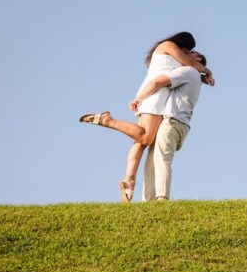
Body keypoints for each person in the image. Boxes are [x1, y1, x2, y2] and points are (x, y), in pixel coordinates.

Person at [78, 31, 212, 201]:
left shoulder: (178, 61)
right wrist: (207, 72)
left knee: (141, 142)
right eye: (188, 51)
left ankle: (129, 180)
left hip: (154, 91)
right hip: (155, 92)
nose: (188, 54)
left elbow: (188, 71)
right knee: (146, 138)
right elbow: (189, 65)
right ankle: (107, 120)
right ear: (183, 45)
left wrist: (202, 76)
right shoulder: (169, 47)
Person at [139, 49, 209, 201]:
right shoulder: (194, 75)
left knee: (162, 158)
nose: (183, 53)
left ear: (197, 59)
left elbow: (157, 82)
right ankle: (148, 201)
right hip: (176, 123)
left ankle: (162, 197)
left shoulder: (189, 71)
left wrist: (138, 99)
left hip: (173, 121)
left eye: (190, 52)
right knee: (151, 162)